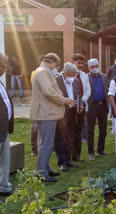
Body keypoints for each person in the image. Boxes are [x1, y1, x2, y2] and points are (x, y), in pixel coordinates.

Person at [30, 53, 76, 182]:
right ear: (50, 61)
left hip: (47, 112)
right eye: (56, 64)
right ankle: (41, 173)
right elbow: (49, 92)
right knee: (46, 144)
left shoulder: (41, 71)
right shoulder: (43, 72)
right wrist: (64, 100)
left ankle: (46, 168)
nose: (56, 67)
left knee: (47, 143)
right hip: (46, 113)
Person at [55, 63, 83, 171]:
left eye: (75, 74)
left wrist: (80, 104)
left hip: (72, 112)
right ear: (65, 73)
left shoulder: (75, 81)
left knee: (70, 136)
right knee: (60, 137)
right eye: (72, 74)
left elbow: (78, 94)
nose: (73, 77)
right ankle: (62, 161)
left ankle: (68, 159)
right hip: (61, 112)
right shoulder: (57, 81)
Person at [87, 58, 109, 160]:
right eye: (92, 67)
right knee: (90, 130)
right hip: (92, 106)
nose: (95, 68)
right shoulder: (86, 77)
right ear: (89, 68)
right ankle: (91, 152)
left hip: (103, 105)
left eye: (96, 66)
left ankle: (100, 149)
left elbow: (108, 89)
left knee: (103, 129)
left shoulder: (104, 77)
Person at [72, 53, 91, 162]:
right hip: (70, 106)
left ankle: (77, 156)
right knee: (70, 132)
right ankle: (67, 157)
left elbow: (88, 89)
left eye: (82, 63)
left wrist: (83, 99)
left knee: (79, 131)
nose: (80, 65)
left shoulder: (84, 75)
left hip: (82, 106)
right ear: (73, 62)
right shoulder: (65, 74)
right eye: (78, 62)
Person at [0, 52, 14, 197]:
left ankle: (4, 187)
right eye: (2, 66)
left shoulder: (0, 82)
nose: (4, 70)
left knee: (5, 160)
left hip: (3, 129)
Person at [30, 55, 46, 156]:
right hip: (37, 104)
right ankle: (34, 148)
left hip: (47, 105)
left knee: (45, 128)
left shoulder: (48, 73)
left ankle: (43, 147)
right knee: (35, 128)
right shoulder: (35, 73)